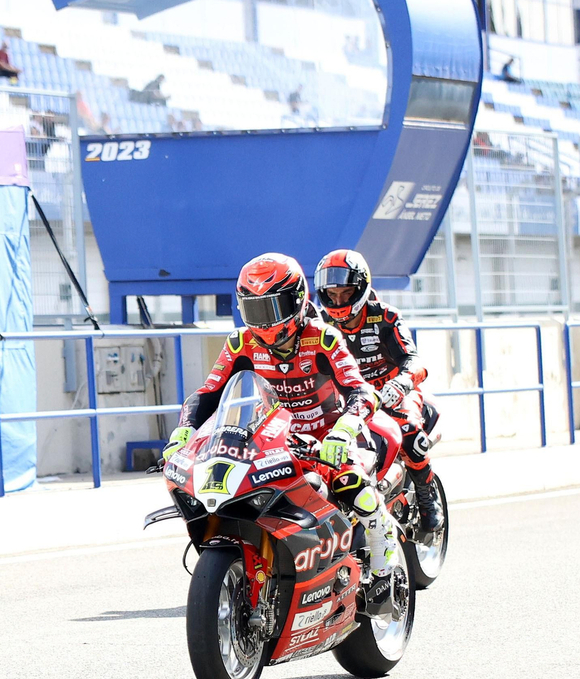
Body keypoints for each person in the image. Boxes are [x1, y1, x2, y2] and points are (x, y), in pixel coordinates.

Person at [162, 254, 398, 613]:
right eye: (256, 310)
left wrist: (344, 431)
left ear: (298, 300)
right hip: (273, 437)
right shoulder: (241, 343)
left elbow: (360, 390)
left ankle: (385, 558)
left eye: (275, 306)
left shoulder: (324, 338)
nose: (267, 321)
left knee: (352, 485)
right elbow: (208, 393)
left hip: (330, 437)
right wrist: (184, 432)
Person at [313, 249, 445, 532]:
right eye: (332, 295)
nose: (338, 301)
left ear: (361, 288)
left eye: (346, 293)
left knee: (410, 432)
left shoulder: (386, 317)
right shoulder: (318, 326)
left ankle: (426, 497)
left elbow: (414, 360)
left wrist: (400, 383)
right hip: (349, 398)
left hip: (392, 392)